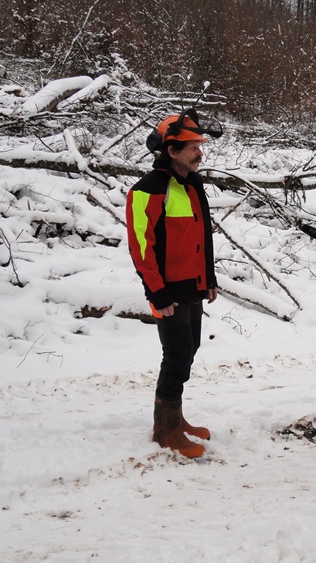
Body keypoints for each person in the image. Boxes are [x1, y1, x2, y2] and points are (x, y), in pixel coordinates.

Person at [126, 109, 221, 458]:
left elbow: (202, 237)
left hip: (192, 286)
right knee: (177, 355)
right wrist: (156, 291)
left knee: (189, 349)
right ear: (171, 151)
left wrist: (208, 278)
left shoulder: (192, 185)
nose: (200, 151)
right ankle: (165, 431)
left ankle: (175, 419)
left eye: (200, 144)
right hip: (167, 290)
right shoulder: (149, 189)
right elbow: (140, 245)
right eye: (192, 146)